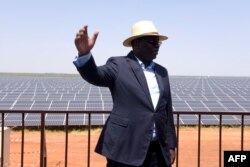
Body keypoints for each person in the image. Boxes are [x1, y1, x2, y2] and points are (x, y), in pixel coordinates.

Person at [73, 20, 177, 167]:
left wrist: (171, 145)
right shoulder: (119, 65)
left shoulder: (162, 72)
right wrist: (84, 54)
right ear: (136, 44)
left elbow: (167, 112)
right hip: (125, 149)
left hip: (157, 151)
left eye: (158, 43)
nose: (156, 46)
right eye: (152, 42)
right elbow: (95, 75)